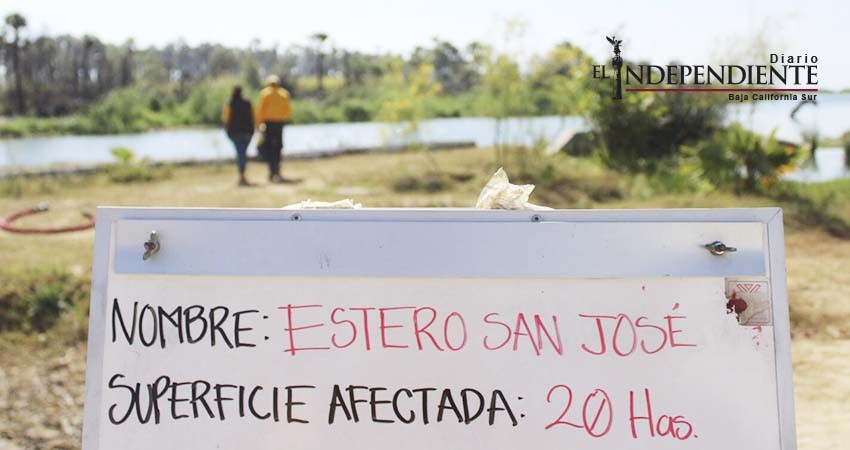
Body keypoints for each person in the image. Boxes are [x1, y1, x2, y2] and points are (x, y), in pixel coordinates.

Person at [255, 75, 293, 183]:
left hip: (269, 124)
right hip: (279, 124)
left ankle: (272, 171)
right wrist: (285, 120)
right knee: (278, 147)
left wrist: (258, 124)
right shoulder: (284, 94)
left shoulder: (265, 93)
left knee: (269, 147)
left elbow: (260, 110)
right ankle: (277, 170)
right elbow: (288, 111)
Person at [221, 86, 255, 186]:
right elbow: (254, 116)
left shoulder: (230, 103)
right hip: (248, 132)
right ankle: (242, 175)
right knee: (243, 153)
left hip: (235, 133)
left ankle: (242, 175)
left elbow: (225, 118)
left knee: (240, 153)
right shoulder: (248, 103)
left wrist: (226, 129)